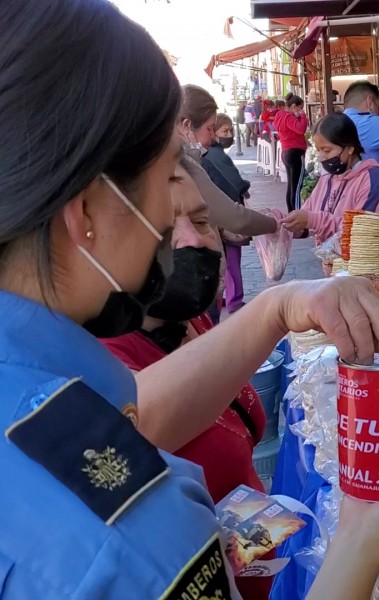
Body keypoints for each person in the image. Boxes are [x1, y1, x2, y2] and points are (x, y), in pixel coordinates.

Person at [0, 2, 379, 598]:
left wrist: (277, 307)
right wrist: (366, 531)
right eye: (164, 182)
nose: (172, 218)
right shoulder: (136, 542)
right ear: (86, 213)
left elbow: (135, 410)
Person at [102, 160, 268, 599]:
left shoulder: (194, 320)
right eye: (163, 229)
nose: (194, 241)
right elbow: (138, 422)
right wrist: (276, 311)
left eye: (201, 221)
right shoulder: (98, 356)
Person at [177, 86, 277, 238]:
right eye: (209, 129)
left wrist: (222, 231)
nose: (212, 137)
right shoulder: (182, 163)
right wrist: (276, 224)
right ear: (186, 126)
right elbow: (237, 218)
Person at [281, 112, 379, 247]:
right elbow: (307, 218)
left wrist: (313, 220)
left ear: (350, 148)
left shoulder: (372, 179)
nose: (321, 157)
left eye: (327, 150)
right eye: (318, 150)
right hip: (331, 266)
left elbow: (362, 230)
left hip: (359, 265)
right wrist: (284, 224)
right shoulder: (327, 178)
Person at [205, 113, 252, 314]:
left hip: (217, 218)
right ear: (212, 132)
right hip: (227, 218)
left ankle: (228, 298)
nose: (229, 135)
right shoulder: (215, 156)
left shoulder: (209, 154)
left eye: (231, 131)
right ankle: (234, 300)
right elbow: (233, 182)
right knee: (232, 262)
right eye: (225, 131)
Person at [274, 94, 308, 213]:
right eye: (300, 108)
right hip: (295, 152)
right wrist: (303, 117)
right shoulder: (288, 117)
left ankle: (291, 211)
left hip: (286, 152)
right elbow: (300, 129)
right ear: (294, 106)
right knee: (297, 187)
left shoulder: (280, 116)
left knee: (291, 185)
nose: (300, 111)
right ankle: (297, 214)